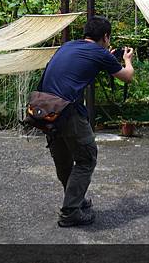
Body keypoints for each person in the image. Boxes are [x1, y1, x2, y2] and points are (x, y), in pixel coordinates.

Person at [39, 16, 135, 227]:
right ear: (106, 36)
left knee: (64, 160)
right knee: (86, 158)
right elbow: (127, 76)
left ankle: (74, 200)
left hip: (43, 108)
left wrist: (105, 58)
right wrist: (127, 59)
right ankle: (70, 212)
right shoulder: (100, 53)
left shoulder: (68, 45)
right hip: (67, 110)